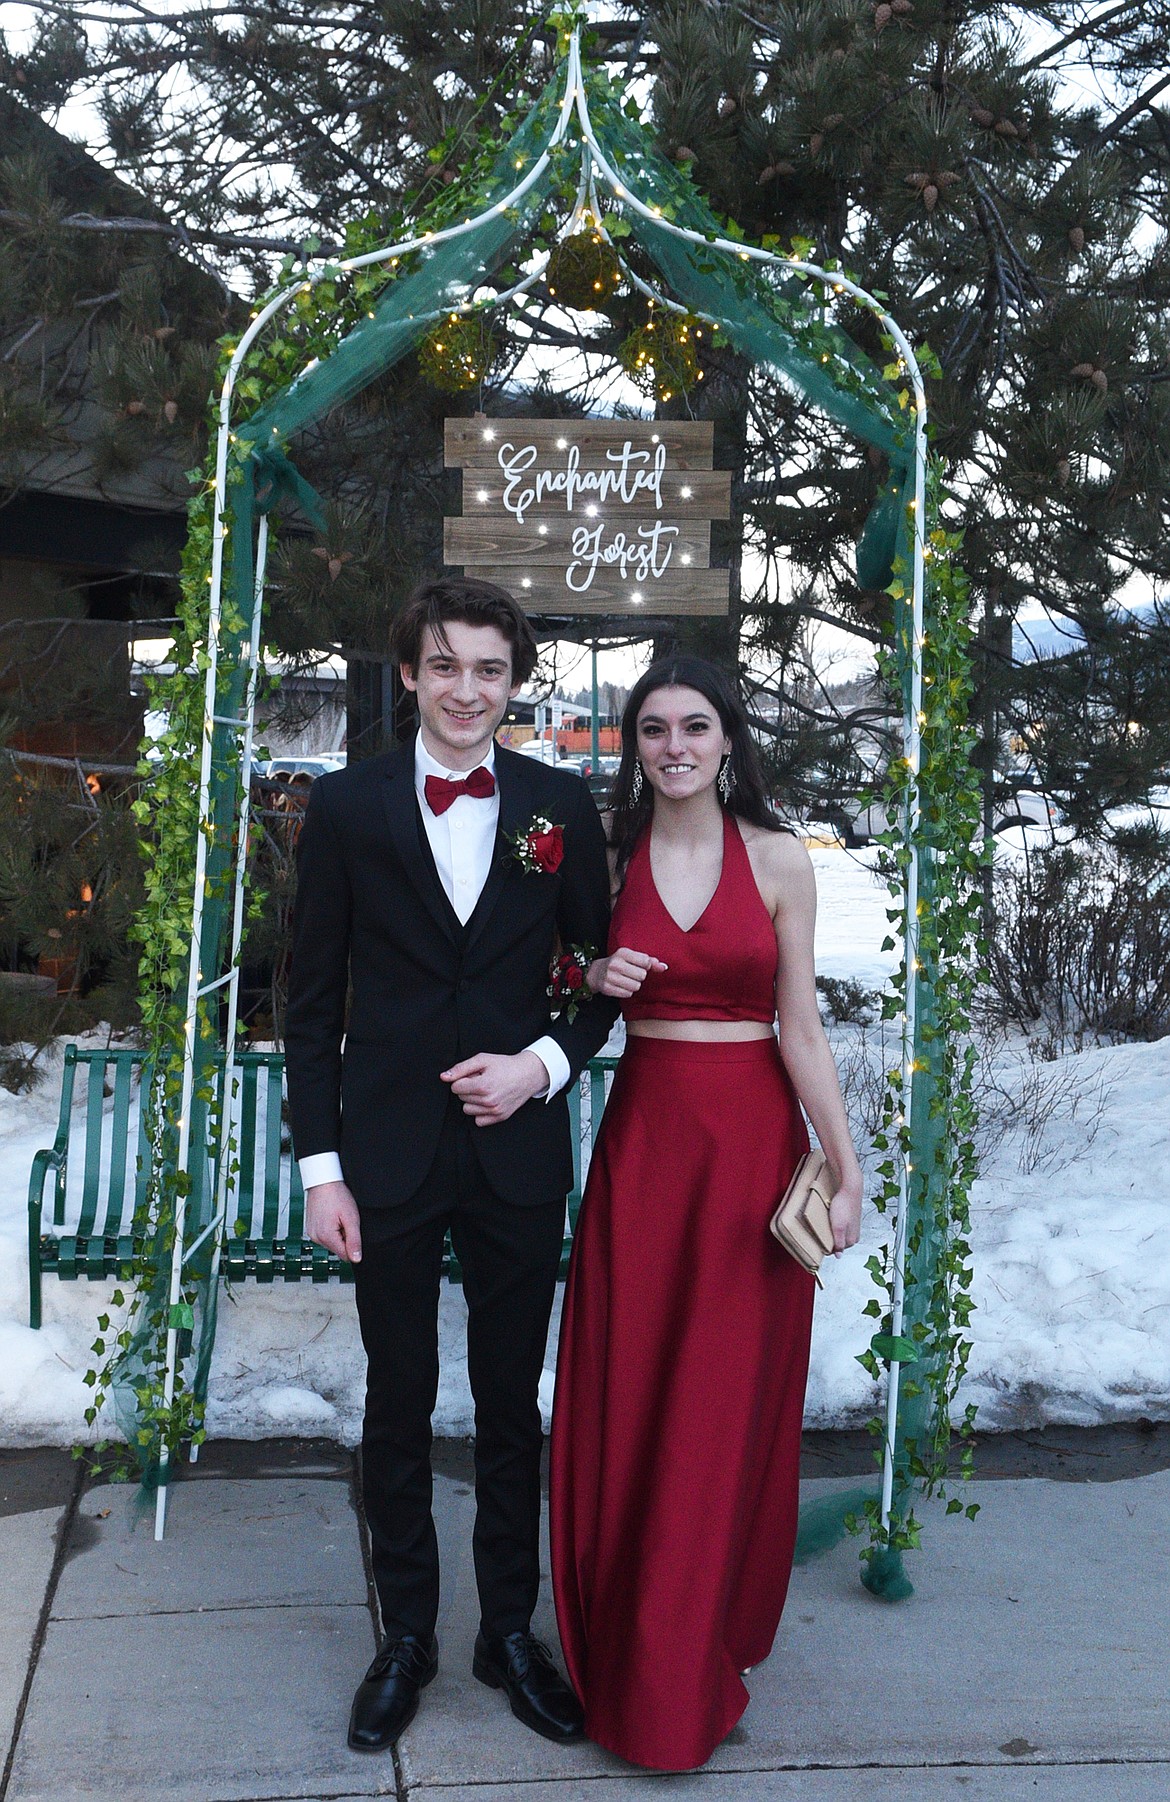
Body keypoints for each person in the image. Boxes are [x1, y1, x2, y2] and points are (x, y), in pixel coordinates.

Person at [284, 576, 617, 1753]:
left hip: (519, 1154)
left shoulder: (560, 802)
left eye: (489, 668)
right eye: (446, 666)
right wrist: (322, 1165)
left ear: (513, 681)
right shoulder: (349, 805)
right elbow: (310, 997)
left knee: (515, 1405)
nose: (467, 688)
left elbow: (588, 974)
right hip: (386, 1156)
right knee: (399, 1400)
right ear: (412, 672)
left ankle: (509, 1631)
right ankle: (410, 1635)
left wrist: (543, 1063)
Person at [549, 655, 864, 1772]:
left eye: (694, 726)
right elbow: (549, 965)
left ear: (729, 738)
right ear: (632, 746)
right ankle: (631, 1646)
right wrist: (591, 976)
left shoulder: (780, 859)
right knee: (637, 1393)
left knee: (720, 1404)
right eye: (651, 730)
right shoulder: (608, 855)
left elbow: (802, 1027)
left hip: (747, 1159)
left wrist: (844, 1158)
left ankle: (694, 1651)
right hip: (646, 1153)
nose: (673, 745)